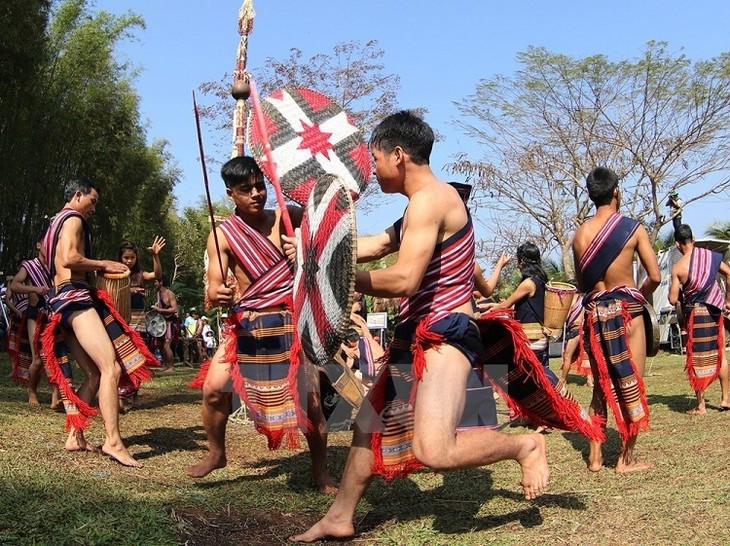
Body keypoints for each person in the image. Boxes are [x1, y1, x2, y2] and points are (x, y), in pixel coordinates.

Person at [292, 111, 549, 543]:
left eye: (375, 160)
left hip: (445, 333)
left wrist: (328, 274)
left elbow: (404, 279)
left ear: (398, 154)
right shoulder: (419, 205)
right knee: (366, 427)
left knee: (434, 449)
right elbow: (371, 247)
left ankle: (524, 446)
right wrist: (313, 246)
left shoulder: (433, 199)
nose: (372, 170)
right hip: (417, 335)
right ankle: (340, 516)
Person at [185, 155, 336, 494]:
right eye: (245, 189)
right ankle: (217, 453)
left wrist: (303, 247)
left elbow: (325, 233)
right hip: (247, 324)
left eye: (260, 186)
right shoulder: (221, 235)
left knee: (310, 402)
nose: (256, 194)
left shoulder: (289, 215)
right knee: (212, 390)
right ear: (230, 193)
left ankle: (321, 474)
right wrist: (219, 292)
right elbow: (213, 286)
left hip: (291, 320)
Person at [40, 176, 157, 467]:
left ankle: (74, 436)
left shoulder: (53, 224)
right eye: (92, 201)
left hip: (59, 303)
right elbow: (69, 258)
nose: (93, 208)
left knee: (93, 374)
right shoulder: (74, 220)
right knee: (111, 367)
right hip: (75, 301)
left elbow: (49, 261)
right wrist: (103, 264)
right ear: (78, 195)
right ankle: (113, 442)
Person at [572, 166, 660, 473]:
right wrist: (637, 294)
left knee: (600, 387)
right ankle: (625, 458)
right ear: (616, 192)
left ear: (591, 196)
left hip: (595, 314)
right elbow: (655, 276)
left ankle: (595, 457)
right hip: (627, 314)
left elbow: (583, 285)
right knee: (630, 382)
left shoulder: (579, 235)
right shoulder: (633, 228)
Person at [668, 223, 730, 414]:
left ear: (678, 244)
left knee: (696, 358)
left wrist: (680, 290)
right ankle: (726, 399)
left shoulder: (679, 267)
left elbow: (671, 299)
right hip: (714, 309)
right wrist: (727, 300)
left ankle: (701, 405)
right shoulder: (710, 256)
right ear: (693, 239)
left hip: (696, 313)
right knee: (720, 352)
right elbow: (729, 273)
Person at [9, 230, 61, 407]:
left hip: (53, 315)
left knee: (55, 357)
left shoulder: (56, 265)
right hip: (35, 315)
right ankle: (32, 391)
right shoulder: (29, 265)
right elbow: (15, 285)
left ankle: (56, 395)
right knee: (38, 360)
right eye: (45, 243)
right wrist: (35, 290)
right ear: (39, 245)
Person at [117, 237, 165, 337]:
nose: (129, 261)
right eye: (126, 258)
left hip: (138, 320)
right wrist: (130, 291)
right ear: (120, 258)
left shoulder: (141, 275)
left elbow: (157, 274)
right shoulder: (114, 275)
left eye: (132, 258)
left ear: (136, 258)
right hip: (119, 318)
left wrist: (155, 255)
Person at [150, 276, 178, 372]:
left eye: (156, 281)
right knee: (160, 345)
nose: (154, 284)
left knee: (167, 345)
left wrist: (160, 310)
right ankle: (166, 365)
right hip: (161, 323)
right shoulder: (158, 294)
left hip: (170, 322)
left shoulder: (170, 294)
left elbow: (174, 309)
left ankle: (171, 367)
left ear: (161, 282)